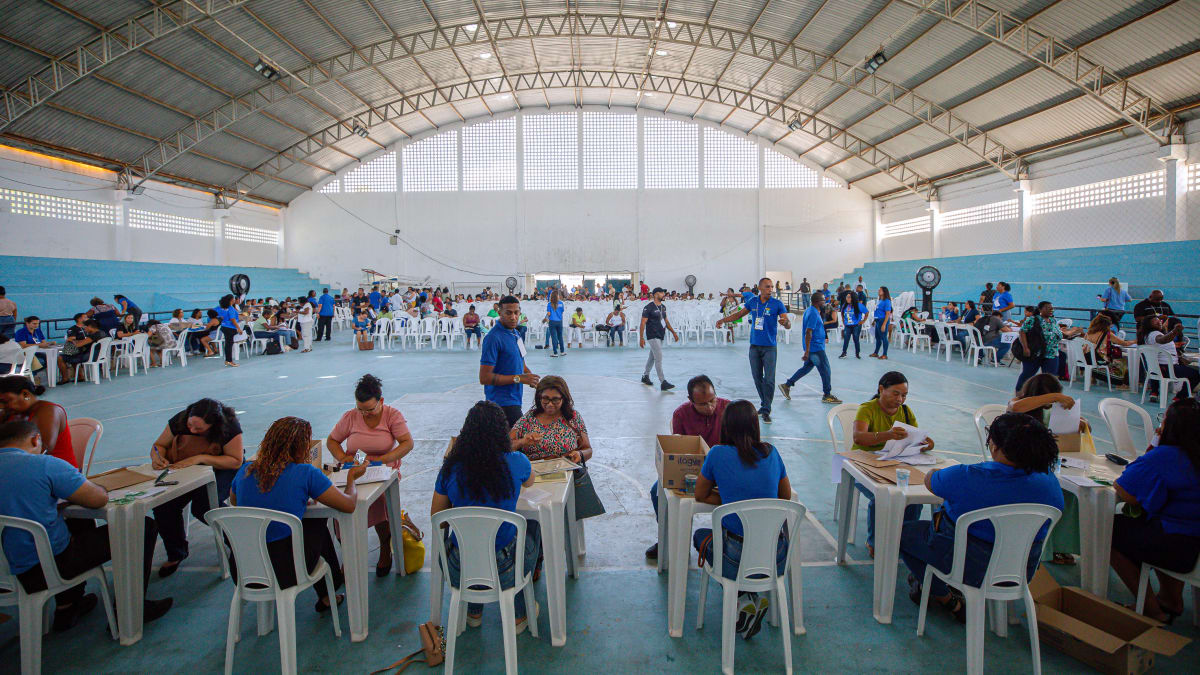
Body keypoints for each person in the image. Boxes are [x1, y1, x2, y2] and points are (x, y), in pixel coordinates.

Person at [0, 420, 173, 631]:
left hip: (6, 577)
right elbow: (97, 499)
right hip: (46, 568)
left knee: (77, 525)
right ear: (36, 439)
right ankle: (131, 611)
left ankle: (68, 607)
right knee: (142, 526)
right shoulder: (44, 465)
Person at [899, 413, 1063, 622]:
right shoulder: (1049, 481)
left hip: (967, 567)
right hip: (1020, 570)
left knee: (901, 533)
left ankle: (946, 597)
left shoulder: (969, 476)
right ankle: (931, 585)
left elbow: (931, 480)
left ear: (994, 446)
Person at [230, 416, 359, 613]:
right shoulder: (305, 472)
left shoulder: (246, 470)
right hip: (286, 570)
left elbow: (235, 502)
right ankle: (329, 590)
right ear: (301, 447)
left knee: (301, 525)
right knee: (317, 521)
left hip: (243, 569)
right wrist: (352, 480)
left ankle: (328, 592)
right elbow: (348, 505)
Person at [433, 401, 541, 632]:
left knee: (470, 541)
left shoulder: (450, 468)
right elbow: (530, 481)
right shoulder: (516, 461)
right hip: (504, 568)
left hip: (457, 567)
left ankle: (473, 611)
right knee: (531, 529)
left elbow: (438, 518)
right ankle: (519, 615)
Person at [692, 399, 792, 639]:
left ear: (726, 427)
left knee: (700, 536)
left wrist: (730, 498)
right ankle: (749, 598)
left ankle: (743, 598)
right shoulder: (771, 452)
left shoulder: (717, 454)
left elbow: (700, 494)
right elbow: (784, 497)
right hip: (775, 556)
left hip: (735, 557)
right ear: (755, 426)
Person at [1109, 398, 1200, 622]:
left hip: (1179, 545)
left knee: (1109, 531)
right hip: (1192, 541)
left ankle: (1151, 608)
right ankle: (1171, 600)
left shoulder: (1167, 456)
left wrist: (1156, 443)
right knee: (1155, 525)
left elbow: (1127, 490)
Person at [145, 398, 244, 578]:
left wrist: (200, 458)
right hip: (186, 468)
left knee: (205, 506)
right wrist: (157, 456)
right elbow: (159, 445)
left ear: (214, 425)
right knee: (163, 505)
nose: (192, 430)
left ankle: (239, 541)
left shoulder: (229, 426)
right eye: (190, 425)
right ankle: (176, 552)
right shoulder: (180, 420)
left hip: (221, 469)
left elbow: (235, 460)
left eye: (199, 429)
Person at [326, 374, 414, 575]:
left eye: (370, 410)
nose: (365, 414)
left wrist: (384, 459)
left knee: (379, 500)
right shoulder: (350, 416)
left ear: (381, 401)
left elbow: (407, 443)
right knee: (338, 500)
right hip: (355, 469)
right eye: (361, 410)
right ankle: (348, 552)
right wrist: (342, 456)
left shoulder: (392, 415)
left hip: (383, 469)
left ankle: (385, 546)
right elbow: (332, 440)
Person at [644, 375, 731, 560]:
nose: (710, 407)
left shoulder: (728, 409)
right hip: (692, 472)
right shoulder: (681, 415)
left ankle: (728, 542)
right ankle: (667, 537)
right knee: (656, 492)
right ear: (691, 401)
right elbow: (678, 450)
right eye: (703, 404)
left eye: (712, 400)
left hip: (724, 471)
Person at [850, 372, 934, 554]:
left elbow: (918, 436)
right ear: (881, 389)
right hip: (864, 462)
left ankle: (903, 537)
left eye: (904, 395)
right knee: (880, 495)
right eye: (896, 393)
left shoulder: (905, 411)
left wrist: (925, 443)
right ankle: (875, 541)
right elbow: (858, 437)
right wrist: (888, 434)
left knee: (913, 498)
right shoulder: (867, 409)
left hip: (895, 461)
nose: (900, 399)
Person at [511, 376, 604, 520]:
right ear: (539, 397)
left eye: (555, 400)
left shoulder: (573, 417)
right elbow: (506, 445)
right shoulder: (529, 418)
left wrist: (579, 454)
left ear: (564, 399)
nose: (549, 404)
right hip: (533, 483)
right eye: (545, 399)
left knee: (565, 520)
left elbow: (588, 449)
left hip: (564, 481)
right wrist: (523, 441)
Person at [717, 278, 791, 423]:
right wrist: (723, 320)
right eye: (767, 287)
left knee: (769, 379)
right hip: (755, 347)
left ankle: (766, 408)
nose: (771, 289)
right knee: (757, 378)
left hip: (770, 347)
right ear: (761, 288)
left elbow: (787, 323)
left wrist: (786, 323)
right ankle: (765, 404)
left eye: (771, 287)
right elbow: (738, 315)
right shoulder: (753, 302)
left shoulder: (777, 304)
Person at [480, 295, 540, 428]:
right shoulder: (493, 338)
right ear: (499, 312)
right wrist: (520, 379)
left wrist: (533, 378)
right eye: (508, 313)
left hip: (515, 399)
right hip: (500, 404)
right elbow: (484, 377)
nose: (513, 317)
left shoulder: (515, 334)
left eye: (516, 312)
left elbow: (520, 361)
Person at [0, 375, 78, 468]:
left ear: (25, 394)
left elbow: (41, 451)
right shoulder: (12, 413)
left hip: (57, 473)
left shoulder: (49, 411)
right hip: (28, 467)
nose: (2, 406)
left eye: (6, 401)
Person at [779, 290, 841, 405]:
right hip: (815, 348)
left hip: (814, 346)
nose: (826, 302)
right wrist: (807, 351)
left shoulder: (812, 310)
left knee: (806, 368)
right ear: (818, 302)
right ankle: (827, 394)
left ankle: (787, 385)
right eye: (824, 300)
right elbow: (808, 332)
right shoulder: (813, 313)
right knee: (826, 370)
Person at [1138, 314, 1199, 394]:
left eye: (1159, 321)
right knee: (1196, 375)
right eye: (1155, 321)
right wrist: (1174, 331)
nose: (1159, 322)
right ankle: (1180, 397)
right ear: (1149, 325)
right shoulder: (1155, 334)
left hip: (1157, 369)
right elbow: (1162, 340)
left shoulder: (1148, 335)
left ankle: (1154, 392)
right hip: (1167, 369)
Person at [1015, 301, 1063, 392]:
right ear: (1040, 309)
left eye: (1052, 308)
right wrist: (1025, 347)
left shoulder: (1053, 320)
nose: (1051, 310)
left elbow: (1057, 333)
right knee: (1028, 374)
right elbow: (1022, 332)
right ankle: (1019, 392)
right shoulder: (1033, 319)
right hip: (1035, 352)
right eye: (1048, 308)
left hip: (1051, 353)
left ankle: (1047, 396)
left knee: (1050, 377)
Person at [639, 287, 679, 391]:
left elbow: (666, 321)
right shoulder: (648, 307)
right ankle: (663, 382)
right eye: (662, 293)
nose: (664, 295)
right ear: (656, 294)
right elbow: (643, 322)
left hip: (661, 334)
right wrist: (641, 337)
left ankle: (645, 376)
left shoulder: (663, 307)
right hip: (652, 335)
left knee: (652, 357)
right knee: (659, 358)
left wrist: (673, 332)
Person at [1082, 313, 1133, 386]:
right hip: (1098, 359)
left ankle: (1093, 378)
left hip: (1086, 358)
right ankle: (1120, 384)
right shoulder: (1106, 333)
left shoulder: (1089, 332)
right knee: (1121, 362)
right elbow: (1124, 343)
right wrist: (1135, 341)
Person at [14, 316, 66, 384]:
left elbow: (43, 342)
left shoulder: (38, 331)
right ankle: (32, 376)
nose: (36, 325)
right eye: (34, 323)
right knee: (41, 361)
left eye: (37, 323)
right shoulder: (21, 332)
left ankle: (52, 380)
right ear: (27, 323)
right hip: (25, 354)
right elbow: (23, 345)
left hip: (38, 351)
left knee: (52, 358)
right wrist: (39, 345)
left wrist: (50, 343)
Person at [214, 294, 241, 368]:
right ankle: (230, 361)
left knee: (227, 344)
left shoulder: (222, 308)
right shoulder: (231, 308)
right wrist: (238, 328)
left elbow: (216, 314)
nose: (234, 300)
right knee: (229, 345)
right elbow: (233, 319)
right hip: (230, 328)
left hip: (224, 326)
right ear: (231, 300)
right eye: (233, 299)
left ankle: (227, 360)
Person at [839, 290, 867, 359]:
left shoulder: (859, 305)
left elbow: (867, 312)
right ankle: (844, 352)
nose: (847, 299)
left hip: (856, 326)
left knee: (856, 339)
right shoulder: (844, 305)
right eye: (847, 297)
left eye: (849, 297)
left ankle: (857, 353)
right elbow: (842, 313)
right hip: (847, 326)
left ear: (853, 298)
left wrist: (863, 321)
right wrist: (843, 321)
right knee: (846, 339)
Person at [870, 286, 893, 360]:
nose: (878, 291)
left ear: (884, 292)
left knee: (884, 337)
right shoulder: (879, 300)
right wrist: (874, 320)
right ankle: (876, 352)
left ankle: (885, 354)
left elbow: (888, 314)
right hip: (877, 320)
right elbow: (877, 311)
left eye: (880, 290)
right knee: (878, 337)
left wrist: (884, 324)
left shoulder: (887, 301)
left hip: (883, 320)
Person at [545, 291, 565, 357]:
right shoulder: (561, 303)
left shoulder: (549, 304)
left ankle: (555, 353)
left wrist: (547, 318)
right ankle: (562, 351)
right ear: (557, 296)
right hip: (559, 322)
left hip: (552, 322)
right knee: (560, 337)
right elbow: (562, 311)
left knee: (554, 337)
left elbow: (549, 314)